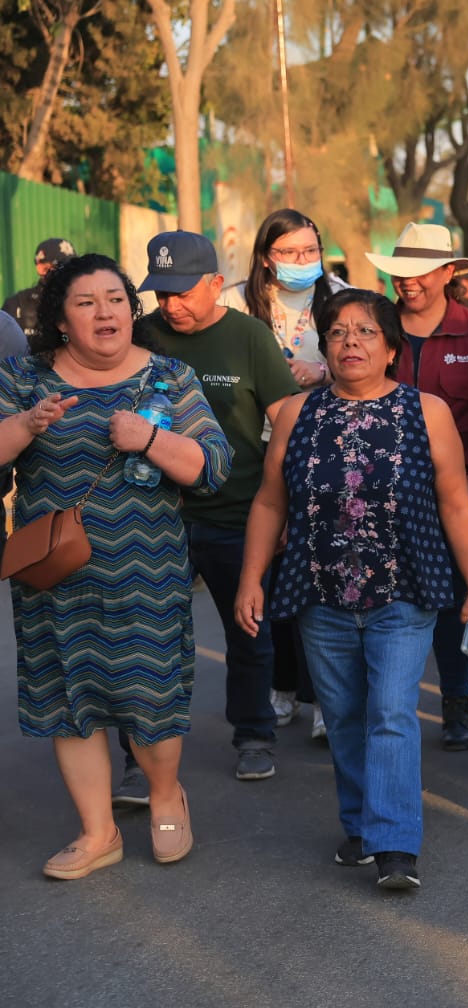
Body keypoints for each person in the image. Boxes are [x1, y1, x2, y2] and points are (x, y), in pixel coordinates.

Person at [236, 289, 468, 892]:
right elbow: (271, 501)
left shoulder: (426, 411)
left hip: (404, 590)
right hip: (319, 593)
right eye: (337, 332)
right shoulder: (296, 413)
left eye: (365, 332)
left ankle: (394, 844)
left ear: (391, 348)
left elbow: (456, 504)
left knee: (390, 713)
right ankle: (360, 825)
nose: (350, 342)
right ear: (325, 346)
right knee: (344, 716)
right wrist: (251, 579)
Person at [0, 253, 230, 879]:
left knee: (149, 697)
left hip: (145, 576)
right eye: (86, 302)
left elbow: (213, 466)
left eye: (115, 299)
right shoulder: (23, 378)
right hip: (53, 578)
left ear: (131, 309)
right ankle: (97, 831)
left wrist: (149, 439)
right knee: (68, 700)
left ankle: (165, 795)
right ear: (61, 319)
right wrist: (25, 424)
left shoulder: (169, 377)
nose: (105, 312)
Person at [138, 230, 298, 783]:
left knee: (248, 631)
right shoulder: (142, 336)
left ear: (215, 284)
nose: (170, 305)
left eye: (182, 293)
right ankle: (140, 758)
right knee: (147, 640)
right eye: (161, 293)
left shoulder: (249, 337)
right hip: (158, 518)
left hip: (237, 515)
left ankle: (254, 735)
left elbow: (286, 424)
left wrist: (284, 507)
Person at [365, 222, 468, 751]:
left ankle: (456, 701)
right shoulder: (375, 326)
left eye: (421, 271)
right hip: (378, 493)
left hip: (453, 494)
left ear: (448, 273)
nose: (408, 281)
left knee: (454, 599)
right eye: (400, 271)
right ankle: (379, 706)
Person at [222, 207, 351, 741]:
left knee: (318, 577)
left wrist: (321, 370)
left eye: (310, 251)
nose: (302, 261)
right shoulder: (234, 302)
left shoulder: (341, 296)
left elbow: (369, 360)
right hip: (253, 449)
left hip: (322, 450)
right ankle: (280, 687)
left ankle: (323, 697)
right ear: (265, 257)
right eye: (289, 252)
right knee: (267, 577)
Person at [3, 238, 76, 342]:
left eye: (72, 267)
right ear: (41, 268)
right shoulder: (17, 305)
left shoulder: (83, 300)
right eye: (59, 266)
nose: (69, 272)